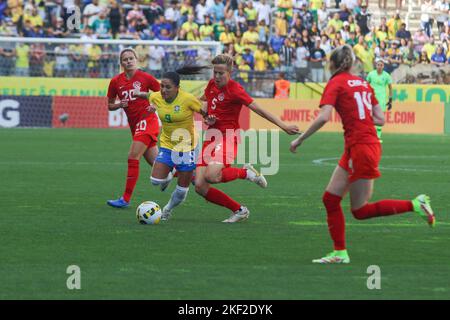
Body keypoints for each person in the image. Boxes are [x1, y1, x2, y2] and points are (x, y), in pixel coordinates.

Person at [289, 45, 435, 264]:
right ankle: (340, 253)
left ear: (333, 64)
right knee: (330, 199)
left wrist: (300, 139)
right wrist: (359, 118)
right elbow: (380, 118)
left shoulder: (336, 82)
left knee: (360, 210)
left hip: (361, 147)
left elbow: (324, 117)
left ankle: (415, 204)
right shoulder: (364, 83)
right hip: (361, 144)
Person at [180, 54, 299, 223]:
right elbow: (205, 104)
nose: (217, 76)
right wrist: (206, 115)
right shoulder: (211, 84)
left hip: (229, 137)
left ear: (230, 72)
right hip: (211, 136)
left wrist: (284, 126)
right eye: (215, 72)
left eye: (221, 73)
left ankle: (246, 173)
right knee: (199, 185)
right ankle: (239, 210)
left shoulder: (235, 90)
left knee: (211, 176)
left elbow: (260, 110)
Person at [106, 48, 171, 208]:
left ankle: (125, 199)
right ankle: (173, 174)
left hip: (147, 121)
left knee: (132, 157)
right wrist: (119, 104)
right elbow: (109, 105)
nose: (128, 61)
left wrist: (154, 106)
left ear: (136, 60)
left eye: (131, 58)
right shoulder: (115, 82)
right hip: (135, 125)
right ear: (121, 63)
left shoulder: (145, 77)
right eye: (125, 59)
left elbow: (162, 94)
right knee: (157, 164)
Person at [143, 71, 212, 220]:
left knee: (181, 190)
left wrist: (209, 118)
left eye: (168, 87)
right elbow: (149, 96)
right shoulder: (157, 96)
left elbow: (204, 111)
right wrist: (139, 94)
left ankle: (167, 209)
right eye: (162, 86)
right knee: (155, 181)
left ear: (177, 88)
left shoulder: (187, 99)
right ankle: (170, 174)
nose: (163, 90)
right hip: (168, 144)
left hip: (188, 147)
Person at [366, 59, 393, 142]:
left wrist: (390, 99)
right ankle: (369, 135)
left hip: (381, 99)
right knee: (369, 116)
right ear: (376, 65)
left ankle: (377, 137)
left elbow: (390, 88)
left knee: (379, 117)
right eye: (378, 65)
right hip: (371, 98)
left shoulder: (387, 76)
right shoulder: (371, 74)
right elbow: (366, 84)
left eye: (381, 65)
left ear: (383, 66)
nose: (379, 66)